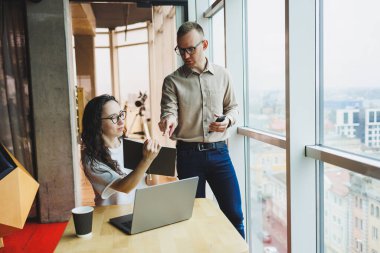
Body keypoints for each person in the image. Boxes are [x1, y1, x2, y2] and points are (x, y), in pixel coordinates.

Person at [158, 21, 244, 238]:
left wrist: (228, 121)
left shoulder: (223, 75)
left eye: (190, 49)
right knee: (192, 219)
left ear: (204, 44)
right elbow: (169, 110)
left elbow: (233, 108)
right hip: (188, 156)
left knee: (234, 214)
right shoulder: (172, 81)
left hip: (219, 154)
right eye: (181, 50)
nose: (185, 55)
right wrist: (168, 120)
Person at [81, 94, 161, 206]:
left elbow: (152, 182)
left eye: (121, 114)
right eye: (113, 117)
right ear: (97, 123)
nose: (121, 121)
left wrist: (153, 159)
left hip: (139, 213)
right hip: (112, 217)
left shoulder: (133, 145)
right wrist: (146, 160)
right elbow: (124, 187)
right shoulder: (91, 159)